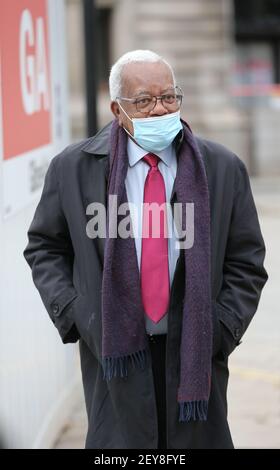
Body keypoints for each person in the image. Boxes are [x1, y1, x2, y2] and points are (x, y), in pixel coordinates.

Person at [23, 50, 268, 449]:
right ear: (117, 110)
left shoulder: (221, 167)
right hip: (114, 350)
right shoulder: (74, 169)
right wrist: (78, 314)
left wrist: (221, 328)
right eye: (144, 101)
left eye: (169, 97)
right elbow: (45, 248)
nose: (159, 110)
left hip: (195, 348)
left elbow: (246, 261)